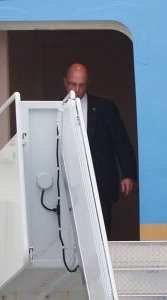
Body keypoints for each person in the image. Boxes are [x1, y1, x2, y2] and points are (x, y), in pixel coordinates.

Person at [63, 63, 137, 238]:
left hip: (100, 180)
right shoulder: (55, 109)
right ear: (65, 82)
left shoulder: (105, 108)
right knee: (69, 229)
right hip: (67, 180)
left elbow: (121, 141)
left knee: (101, 229)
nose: (77, 89)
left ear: (87, 83)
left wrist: (128, 173)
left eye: (82, 85)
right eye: (73, 84)